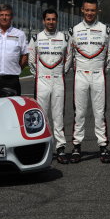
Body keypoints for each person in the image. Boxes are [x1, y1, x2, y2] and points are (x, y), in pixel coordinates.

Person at [68, 0, 110, 163]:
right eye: (87, 10)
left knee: (100, 112)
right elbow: (69, 55)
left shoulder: (106, 30)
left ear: (97, 11)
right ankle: (76, 147)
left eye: (92, 10)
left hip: (98, 75)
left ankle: (103, 146)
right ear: (82, 10)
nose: (89, 13)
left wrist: (102, 70)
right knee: (79, 112)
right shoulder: (73, 30)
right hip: (80, 75)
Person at [28, 9, 72, 164]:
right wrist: (39, 76)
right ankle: (40, 147)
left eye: (53, 19)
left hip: (58, 80)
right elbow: (31, 61)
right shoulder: (36, 38)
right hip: (42, 81)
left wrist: (61, 73)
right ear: (43, 21)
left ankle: (60, 148)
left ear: (57, 21)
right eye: (48, 19)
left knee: (58, 115)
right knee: (41, 116)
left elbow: (68, 59)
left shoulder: (65, 38)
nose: (51, 22)